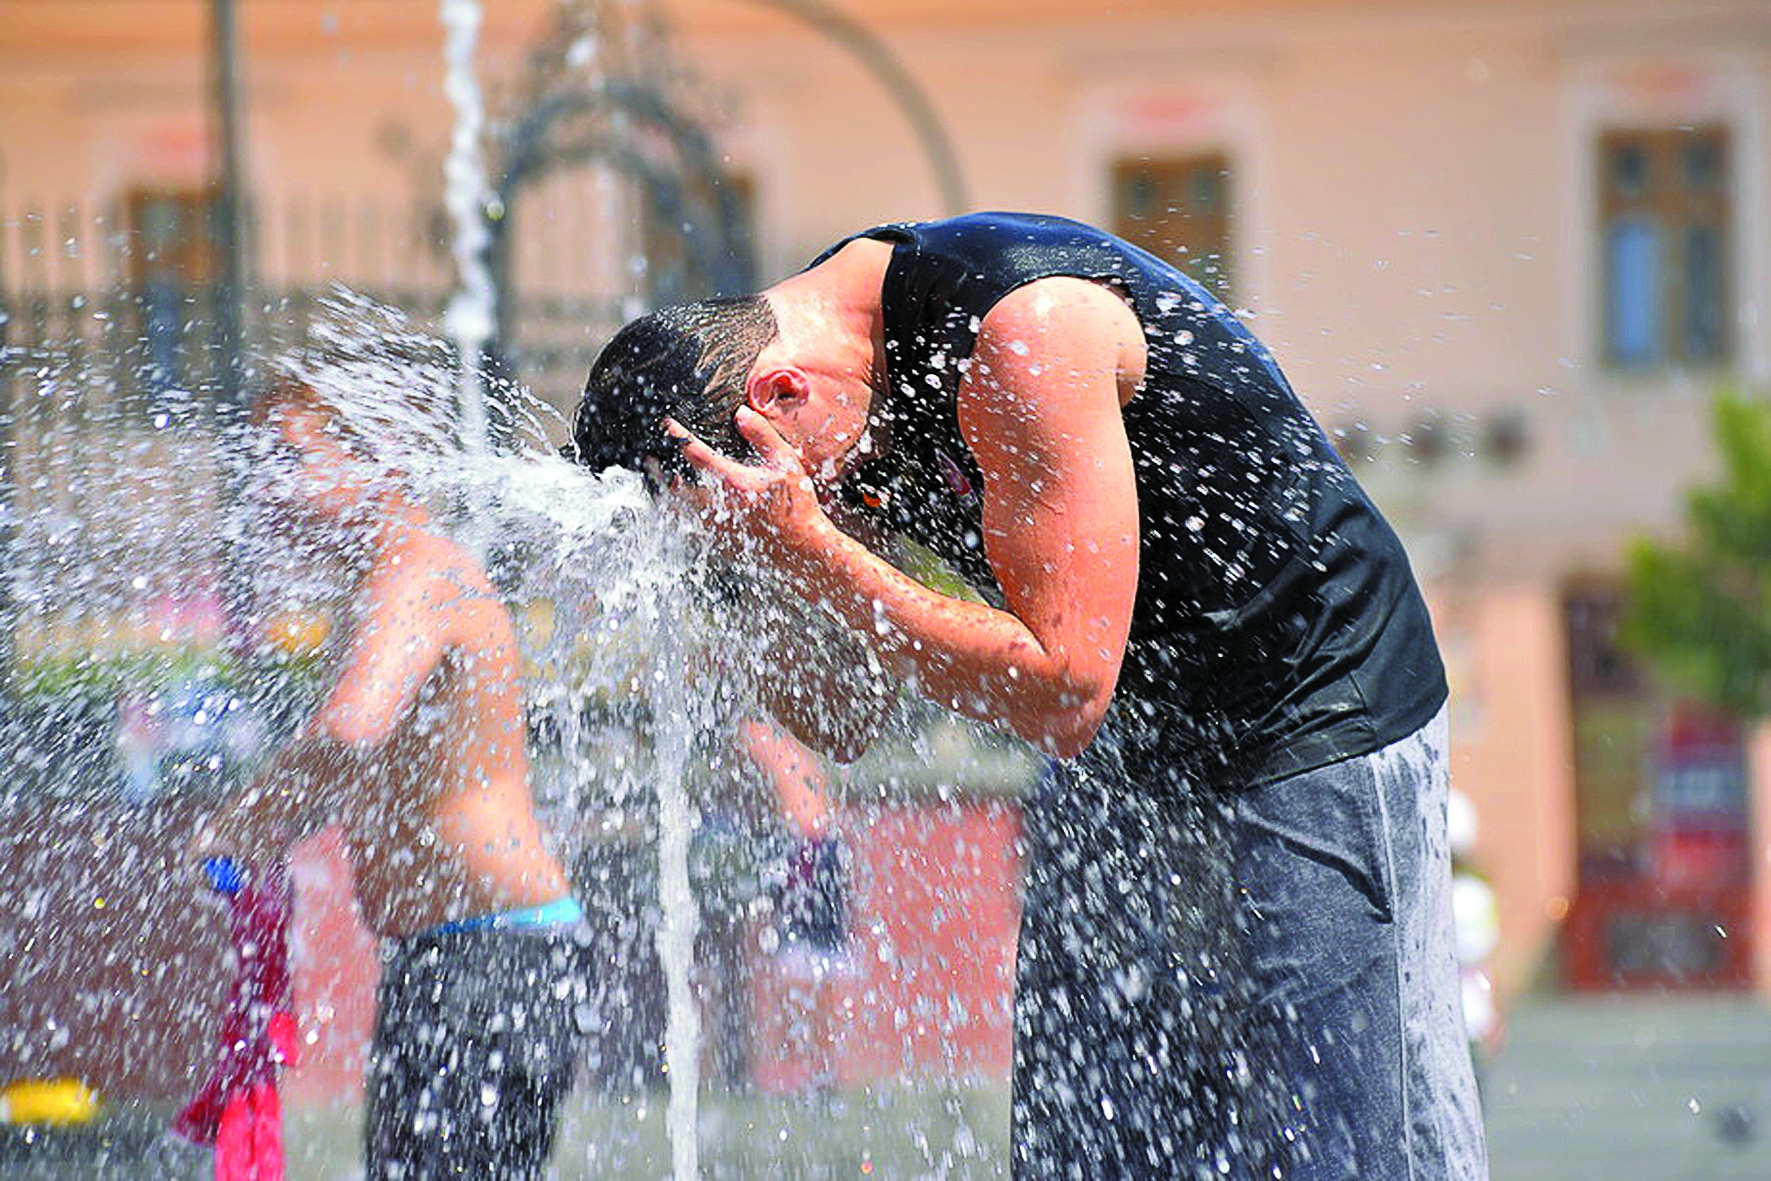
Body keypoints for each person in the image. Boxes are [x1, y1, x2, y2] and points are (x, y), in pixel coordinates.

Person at [569, 211, 1488, 1178]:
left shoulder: (1020, 328)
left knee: (1330, 1144)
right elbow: (849, 713)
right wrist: (746, 573)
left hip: (1311, 717)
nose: (823, 512)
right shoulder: (828, 405)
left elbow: (1063, 688)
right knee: (1083, 1144)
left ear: (779, 393)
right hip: (1124, 756)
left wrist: (812, 548)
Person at [200, 374, 590, 1181]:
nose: (268, 482)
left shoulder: (417, 570)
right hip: (451, 960)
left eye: (292, 456)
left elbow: (348, 730)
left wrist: (244, 823)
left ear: (379, 459)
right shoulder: (375, 585)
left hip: (495, 964)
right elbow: (355, 768)